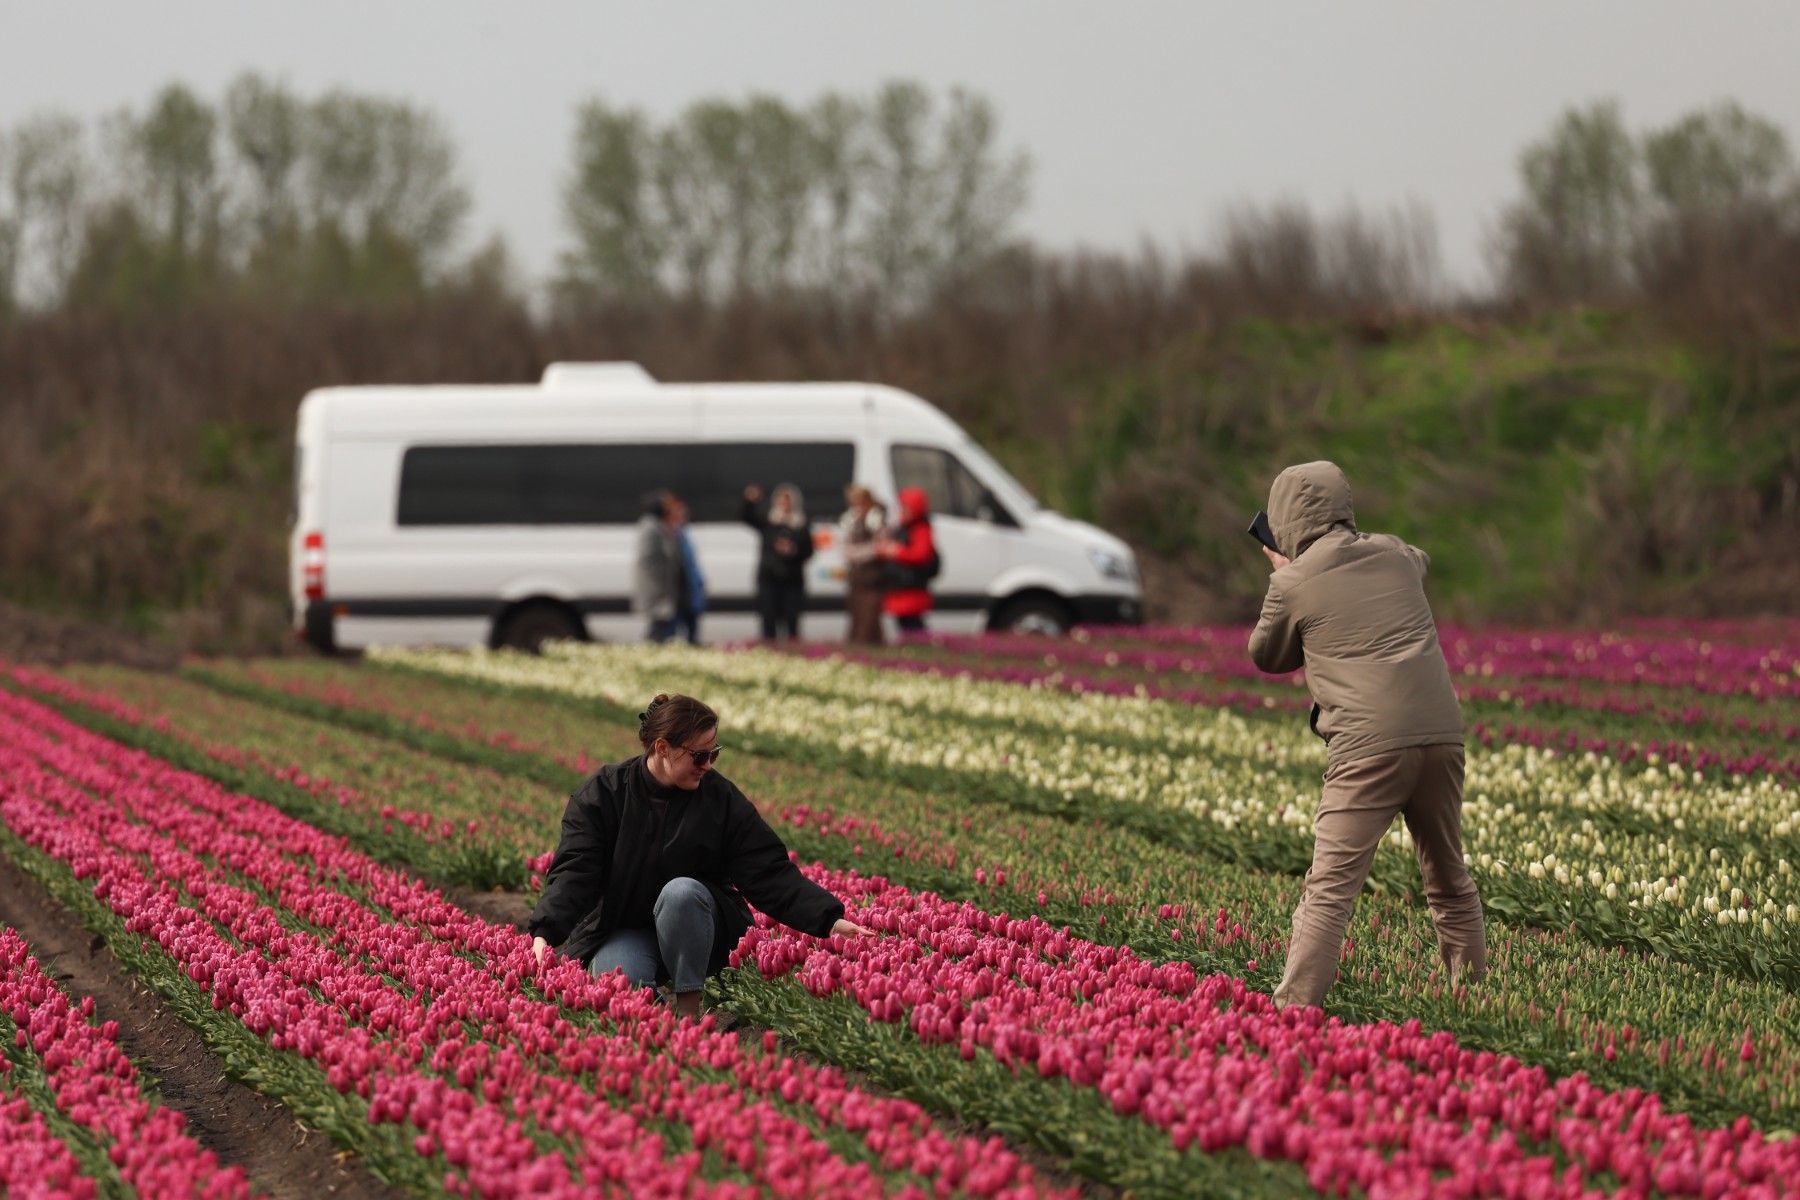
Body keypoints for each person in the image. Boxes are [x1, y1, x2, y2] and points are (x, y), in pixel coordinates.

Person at [1248, 460, 1485, 1010]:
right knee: (1448, 877)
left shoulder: (1291, 582)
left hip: (1368, 747)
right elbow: (1418, 561)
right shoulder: (1397, 554)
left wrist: (1285, 573)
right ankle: (1475, 1000)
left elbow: (1266, 654)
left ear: (1282, 523)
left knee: (1329, 889)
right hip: (1442, 737)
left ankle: (1295, 1010)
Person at [528, 693, 874, 1018]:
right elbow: (577, 868)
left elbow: (767, 869)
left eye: (714, 753)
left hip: (702, 929)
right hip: (630, 926)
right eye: (699, 756)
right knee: (619, 983)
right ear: (662, 748)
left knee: (680, 893)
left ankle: (689, 1010)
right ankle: (663, 1028)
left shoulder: (718, 799)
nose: (708, 765)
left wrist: (828, 919)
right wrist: (546, 930)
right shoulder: (605, 795)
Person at [740, 483, 814, 642]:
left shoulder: (801, 525)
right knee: (768, 619)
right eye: (781, 501)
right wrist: (750, 501)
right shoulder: (768, 522)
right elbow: (746, 517)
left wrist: (793, 550)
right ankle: (770, 651)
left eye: (788, 502)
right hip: (769, 579)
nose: (784, 505)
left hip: (792, 580)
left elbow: (808, 551)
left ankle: (792, 651)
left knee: (792, 621)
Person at [878, 486, 936, 636]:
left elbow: (921, 554)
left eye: (905, 507)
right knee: (906, 624)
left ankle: (921, 646)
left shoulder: (920, 528)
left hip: (911, 586)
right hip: (901, 586)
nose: (902, 510)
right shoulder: (904, 527)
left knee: (913, 625)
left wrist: (897, 551)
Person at [838, 484, 888, 645]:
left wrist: (857, 553)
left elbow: (878, 548)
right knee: (857, 617)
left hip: (872, 578)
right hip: (857, 577)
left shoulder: (876, 520)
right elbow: (845, 548)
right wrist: (858, 552)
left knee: (869, 620)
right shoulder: (852, 521)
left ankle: (868, 649)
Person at [634, 490, 682, 643]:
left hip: (660, 590)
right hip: (657, 590)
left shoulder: (656, 525)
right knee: (658, 627)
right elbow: (652, 557)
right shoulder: (651, 527)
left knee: (661, 626)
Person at [670, 496, 707, 646]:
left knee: (692, 630)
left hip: (690, 590)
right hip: (679, 591)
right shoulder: (670, 535)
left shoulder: (684, 534)